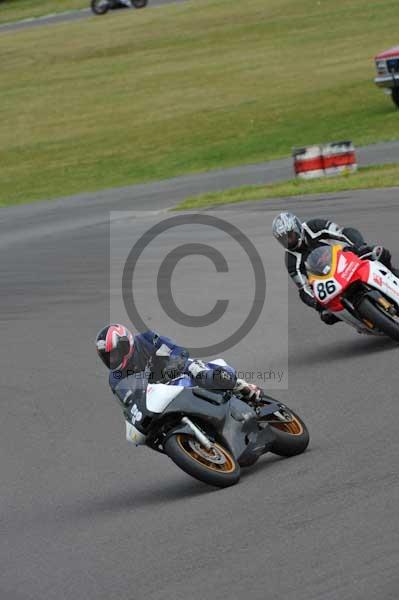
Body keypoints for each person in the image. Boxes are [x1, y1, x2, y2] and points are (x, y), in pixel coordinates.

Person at [96, 324, 263, 418]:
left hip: (178, 371)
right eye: (107, 357)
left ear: (126, 344)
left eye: (115, 353)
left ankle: (242, 386)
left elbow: (176, 349)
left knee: (200, 373)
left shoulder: (146, 339)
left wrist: (177, 364)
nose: (112, 360)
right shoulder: (115, 378)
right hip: (158, 397)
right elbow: (128, 404)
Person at [272, 212, 399, 325]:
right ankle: (363, 319)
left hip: (347, 258)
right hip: (328, 281)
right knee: (326, 316)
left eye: (290, 236)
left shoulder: (314, 226)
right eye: (283, 239)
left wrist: (358, 247)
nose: (288, 241)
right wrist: (316, 304)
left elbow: (343, 232)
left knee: (380, 253)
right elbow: (303, 287)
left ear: (297, 228)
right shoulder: (291, 260)